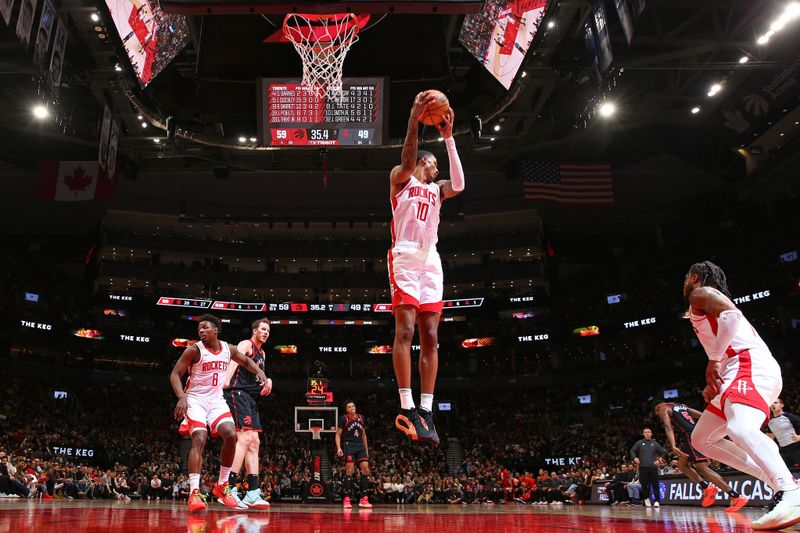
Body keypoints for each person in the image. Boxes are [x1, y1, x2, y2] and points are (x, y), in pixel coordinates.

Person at [684, 261, 800, 530]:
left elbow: (732, 317)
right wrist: (719, 369)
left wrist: (714, 360)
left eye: (686, 278)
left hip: (747, 364)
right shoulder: (702, 302)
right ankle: (783, 486)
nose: (684, 284)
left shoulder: (700, 293)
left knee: (740, 428)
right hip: (736, 370)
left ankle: (791, 492)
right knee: (702, 439)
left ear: (695, 277)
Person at [389, 91, 465, 446]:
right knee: (405, 329)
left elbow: (461, 184)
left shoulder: (437, 189)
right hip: (404, 255)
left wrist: (449, 139)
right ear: (423, 162)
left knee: (431, 336)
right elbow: (407, 155)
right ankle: (406, 404)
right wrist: (413, 121)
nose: (438, 170)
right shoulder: (402, 179)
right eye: (434, 164)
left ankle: (426, 410)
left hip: (430, 259)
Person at [170, 314, 268, 512]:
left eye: (205, 327)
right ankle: (194, 492)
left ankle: (222, 486)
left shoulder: (227, 349)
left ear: (215, 330)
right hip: (196, 400)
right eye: (199, 328)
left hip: (216, 400)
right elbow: (174, 374)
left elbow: (247, 362)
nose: (201, 331)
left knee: (231, 435)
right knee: (199, 437)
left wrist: (260, 372)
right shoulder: (193, 350)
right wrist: (181, 397)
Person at [655, 402, 748, 512]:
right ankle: (706, 487)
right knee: (681, 465)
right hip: (695, 433)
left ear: (659, 408)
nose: (659, 416)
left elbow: (668, 427)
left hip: (691, 437)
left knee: (702, 468)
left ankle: (735, 496)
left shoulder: (663, 409)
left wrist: (673, 445)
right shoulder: (682, 406)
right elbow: (702, 415)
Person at [223, 317, 273, 510]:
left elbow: (259, 377)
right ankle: (229, 489)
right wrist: (226, 381)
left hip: (250, 398)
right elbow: (233, 361)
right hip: (237, 394)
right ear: (254, 330)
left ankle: (252, 492)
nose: (266, 332)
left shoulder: (263, 353)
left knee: (255, 442)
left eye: (268, 330)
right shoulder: (246, 344)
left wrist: (268, 381)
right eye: (263, 329)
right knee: (244, 439)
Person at [336, 400, 372, 509]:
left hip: (360, 445)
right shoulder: (344, 419)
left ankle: (364, 499)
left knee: (366, 470)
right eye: (349, 406)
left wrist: (366, 450)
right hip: (349, 445)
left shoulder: (361, 418)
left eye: (353, 405)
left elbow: (364, 435)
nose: (352, 407)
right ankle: (346, 499)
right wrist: (339, 448)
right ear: (346, 409)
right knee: (350, 471)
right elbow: (338, 434)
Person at [630, 428, 667, 508]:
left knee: (655, 484)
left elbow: (663, 452)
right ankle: (646, 498)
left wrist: (660, 460)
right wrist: (635, 458)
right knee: (644, 485)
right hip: (643, 467)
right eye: (645, 432)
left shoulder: (655, 443)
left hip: (653, 467)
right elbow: (632, 450)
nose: (647, 433)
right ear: (643, 434)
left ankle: (657, 501)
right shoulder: (639, 443)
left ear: (651, 434)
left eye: (648, 432)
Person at [767, 399, 800, 469]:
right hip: (784, 451)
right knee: (777, 469)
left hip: (797, 448)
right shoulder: (770, 422)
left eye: (776, 403)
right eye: (772, 403)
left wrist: (799, 437)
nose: (773, 405)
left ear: (781, 405)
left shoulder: (790, 417)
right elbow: (769, 437)